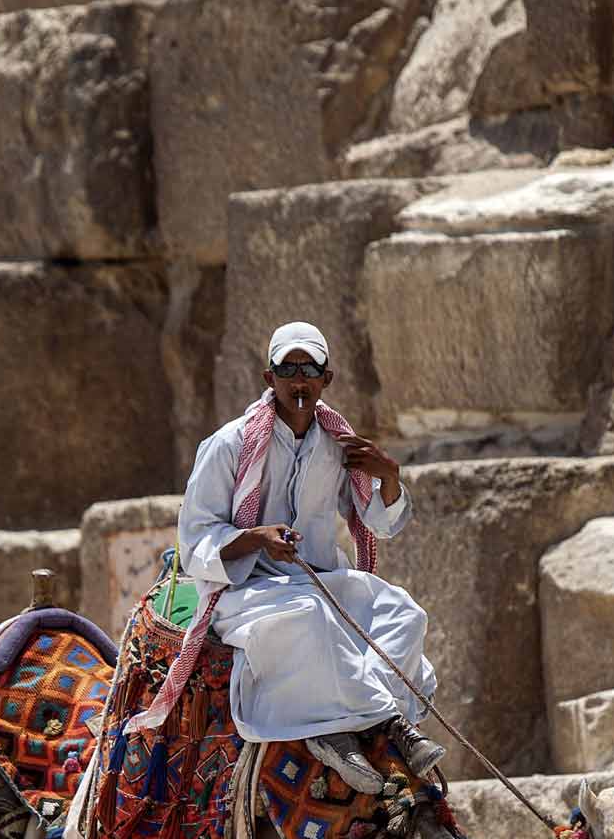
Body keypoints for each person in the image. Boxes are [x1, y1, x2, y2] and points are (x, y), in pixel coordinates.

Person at [123, 320, 443, 793]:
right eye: (288, 368)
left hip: (319, 579)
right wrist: (255, 538)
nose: (299, 380)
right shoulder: (229, 444)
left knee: (403, 613)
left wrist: (389, 475)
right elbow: (195, 539)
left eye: (309, 369)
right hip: (245, 589)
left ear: (326, 379)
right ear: (268, 377)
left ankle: (381, 723)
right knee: (312, 619)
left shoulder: (337, 443)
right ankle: (339, 732)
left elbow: (380, 523)